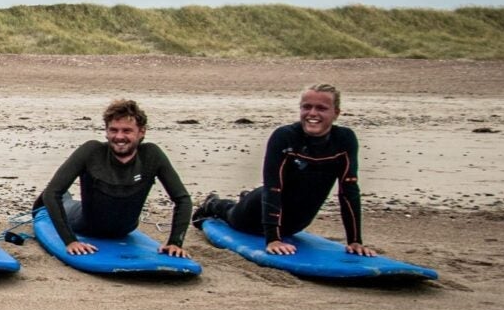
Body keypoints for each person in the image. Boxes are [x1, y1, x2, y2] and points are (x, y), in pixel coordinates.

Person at [192, 84, 379, 256]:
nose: (312, 113)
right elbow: (273, 188)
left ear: (336, 113)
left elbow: (349, 192)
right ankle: (213, 204)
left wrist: (355, 241)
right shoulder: (285, 136)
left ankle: (244, 197)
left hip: (294, 225)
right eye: (306, 107)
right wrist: (273, 239)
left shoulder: (345, 139)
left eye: (321, 108)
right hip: (253, 216)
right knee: (233, 214)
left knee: (264, 204)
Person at [36, 98, 193, 258]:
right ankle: (48, 202)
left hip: (126, 229)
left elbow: (183, 199)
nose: (119, 136)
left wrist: (175, 242)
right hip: (84, 224)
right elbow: (52, 193)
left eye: (127, 131)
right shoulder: (92, 151)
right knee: (61, 198)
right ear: (106, 131)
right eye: (113, 130)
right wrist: (70, 241)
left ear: (141, 132)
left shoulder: (151, 155)